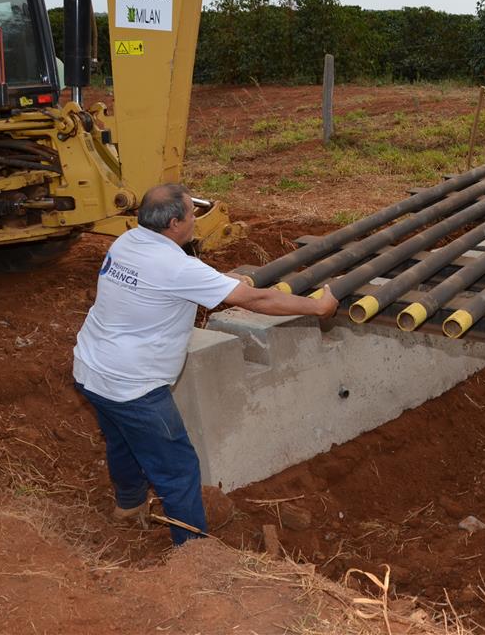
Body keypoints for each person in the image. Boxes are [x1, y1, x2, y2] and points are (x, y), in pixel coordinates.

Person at [73, 184, 339, 544]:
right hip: (134, 386)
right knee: (178, 470)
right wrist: (319, 306)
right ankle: (195, 557)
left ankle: (128, 506)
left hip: (91, 368)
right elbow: (257, 301)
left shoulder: (127, 242)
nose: (195, 221)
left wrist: (221, 281)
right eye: (190, 214)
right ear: (173, 223)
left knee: (122, 442)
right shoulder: (174, 267)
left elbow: (179, 276)